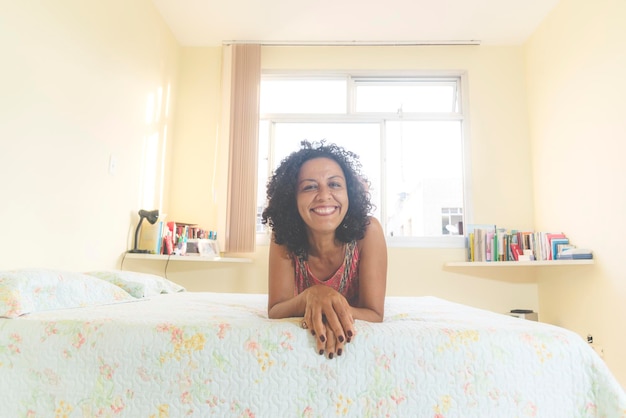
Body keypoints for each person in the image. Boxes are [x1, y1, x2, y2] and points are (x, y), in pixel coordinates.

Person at [262, 140, 387, 359]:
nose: (324, 195)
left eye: (335, 184)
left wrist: (328, 309)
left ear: (349, 193)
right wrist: (313, 296)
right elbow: (275, 310)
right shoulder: (283, 236)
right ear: (292, 198)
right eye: (309, 186)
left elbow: (374, 313)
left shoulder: (368, 232)